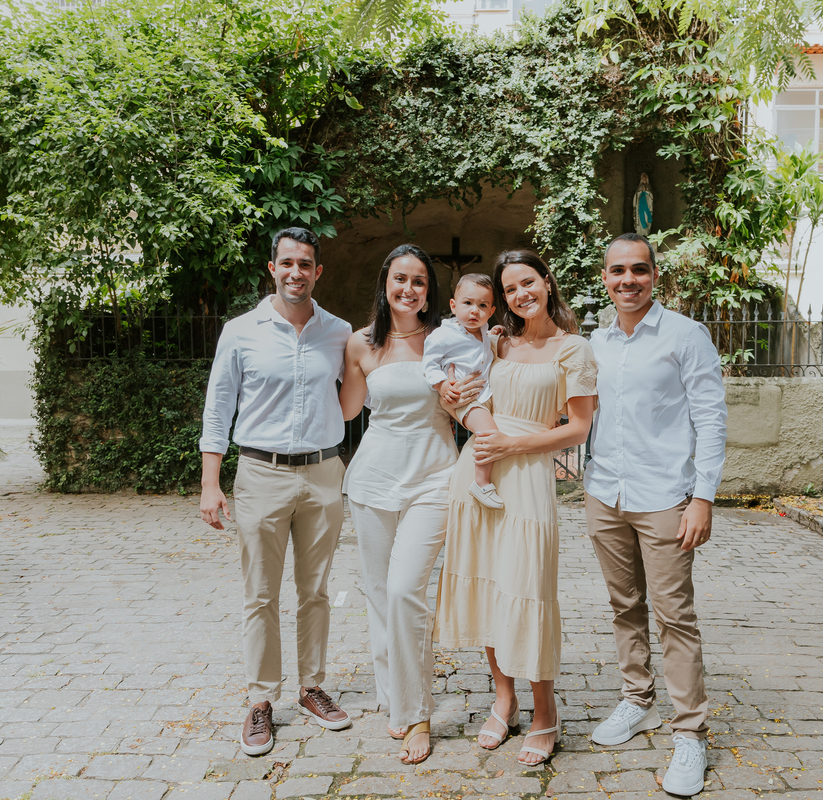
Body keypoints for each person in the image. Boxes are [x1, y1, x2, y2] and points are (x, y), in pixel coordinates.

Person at [435, 249, 597, 767]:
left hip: (526, 473)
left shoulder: (574, 349)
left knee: (527, 587)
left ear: (547, 283)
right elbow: (457, 393)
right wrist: (449, 392)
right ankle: (503, 701)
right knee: (486, 584)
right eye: (510, 289)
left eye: (528, 282)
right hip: (478, 467)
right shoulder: (495, 341)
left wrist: (510, 445)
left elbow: (577, 429)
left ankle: (545, 711)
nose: (520, 294)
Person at [199, 227, 353, 758]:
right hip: (260, 474)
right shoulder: (241, 331)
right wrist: (210, 482)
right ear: (272, 268)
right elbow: (219, 407)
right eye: (287, 262)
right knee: (260, 593)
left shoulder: (340, 333)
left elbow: (361, 391)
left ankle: (312, 687)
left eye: (305, 264)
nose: (296, 272)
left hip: (323, 473)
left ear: (318, 271)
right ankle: (262, 698)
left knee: (315, 590)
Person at [582, 233, 728, 797]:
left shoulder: (685, 335)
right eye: (617, 271)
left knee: (674, 615)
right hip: (605, 495)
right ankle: (637, 700)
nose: (628, 280)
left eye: (638, 270)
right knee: (624, 606)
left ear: (654, 274)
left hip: (666, 495)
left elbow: (711, 419)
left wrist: (703, 496)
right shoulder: (595, 342)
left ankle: (690, 732)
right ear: (604, 277)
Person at [339, 244, 458, 765]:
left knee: (407, 591)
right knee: (379, 594)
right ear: (385, 284)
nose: (409, 289)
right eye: (400, 279)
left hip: (435, 477)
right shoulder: (359, 344)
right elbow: (345, 410)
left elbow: (479, 382)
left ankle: (418, 713)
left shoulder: (446, 338)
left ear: (429, 292)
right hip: (373, 480)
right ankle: (393, 698)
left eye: (419, 282)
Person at [421, 273, 504, 509]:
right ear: (453, 305)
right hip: (464, 398)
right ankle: (481, 483)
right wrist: (443, 385)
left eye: (482, 305)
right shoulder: (444, 335)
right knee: (488, 433)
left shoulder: (482, 332)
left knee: (491, 432)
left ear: (490, 310)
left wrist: (492, 335)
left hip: (485, 396)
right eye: (468, 303)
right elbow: (429, 364)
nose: (474, 311)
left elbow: (481, 349)